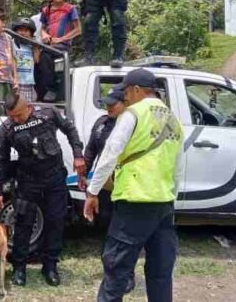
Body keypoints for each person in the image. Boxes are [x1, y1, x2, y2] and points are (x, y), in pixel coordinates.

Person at [83, 69, 183, 302]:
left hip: (134, 202)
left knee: (117, 269)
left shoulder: (133, 114)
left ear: (137, 90)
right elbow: (178, 166)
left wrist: (92, 191)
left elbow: (110, 152)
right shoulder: (174, 120)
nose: (125, 98)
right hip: (164, 205)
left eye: (126, 92)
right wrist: (171, 199)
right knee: (160, 272)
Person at [0, 94, 86, 287]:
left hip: (54, 176)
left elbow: (69, 129)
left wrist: (78, 154)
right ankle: (19, 268)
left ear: (28, 107)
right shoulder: (7, 129)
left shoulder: (48, 113)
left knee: (55, 220)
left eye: (18, 115)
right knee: (23, 222)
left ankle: (50, 266)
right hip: (28, 180)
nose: (16, 119)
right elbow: (0, 160)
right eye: (12, 116)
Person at [84, 85, 136, 295]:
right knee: (107, 227)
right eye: (106, 104)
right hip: (106, 186)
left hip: (127, 186)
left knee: (126, 232)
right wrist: (83, 173)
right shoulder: (102, 123)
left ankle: (127, 273)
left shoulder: (133, 125)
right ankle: (112, 270)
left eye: (113, 104)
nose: (108, 108)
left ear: (126, 104)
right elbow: (91, 150)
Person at [38, 0, 82, 101]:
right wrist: (44, 34)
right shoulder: (46, 10)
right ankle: (48, 89)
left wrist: (61, 39)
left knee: (47, 56)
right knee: (42, 59)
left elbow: (78, 30)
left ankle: (54, 90)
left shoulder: (70, 9)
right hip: (49, 45)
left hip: (63, 45)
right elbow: (42, 29)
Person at [11, 18, 40, 103]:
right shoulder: (11, 43)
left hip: (28, 81)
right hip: (15, 81)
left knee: (27, 105)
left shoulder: (31, 46)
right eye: (20, 30)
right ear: (15, 31)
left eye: (26, 30)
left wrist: (35, 47)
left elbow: (36, 60)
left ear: (31, 34)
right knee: (15, 104)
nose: (23, 33)